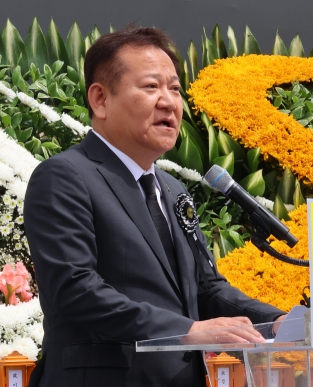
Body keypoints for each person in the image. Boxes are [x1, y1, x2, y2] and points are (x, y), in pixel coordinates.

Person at [24, 26, 286, 387]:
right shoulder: (65, 177)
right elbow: (75, 288)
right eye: (151, 87)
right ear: (100, 99)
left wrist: (275, 321)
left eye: (175, 89)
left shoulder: (173, 189)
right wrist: (186, 330)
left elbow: (206, 288)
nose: (169, 102)